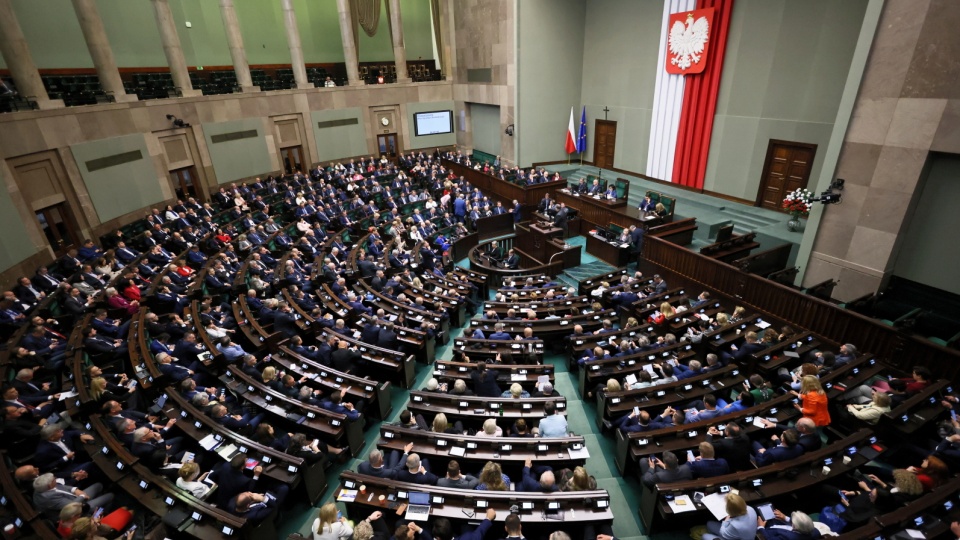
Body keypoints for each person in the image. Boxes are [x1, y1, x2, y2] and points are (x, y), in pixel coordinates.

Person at [756, 510, 821, 540]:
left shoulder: (788, 537)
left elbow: (768, 539)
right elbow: (803, 523)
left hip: (768, 531)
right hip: (778, 527)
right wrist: (785, 518)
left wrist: (761, 527)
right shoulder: (815, 532)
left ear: (794, 526)